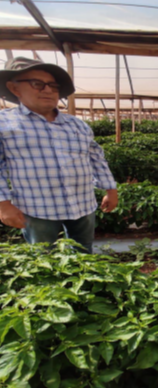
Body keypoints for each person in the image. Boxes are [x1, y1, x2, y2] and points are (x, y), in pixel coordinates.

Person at [0, 57, 118, 253]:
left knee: (83, 252)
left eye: (53, 86)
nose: (48, 90)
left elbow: (96, 157)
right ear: (14, 88)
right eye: (37, 84)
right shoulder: (5, 124)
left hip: (83, 204)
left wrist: (110, 190)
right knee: (43, 257)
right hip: (37, 208)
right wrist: (3, 204)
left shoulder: (77, 124)